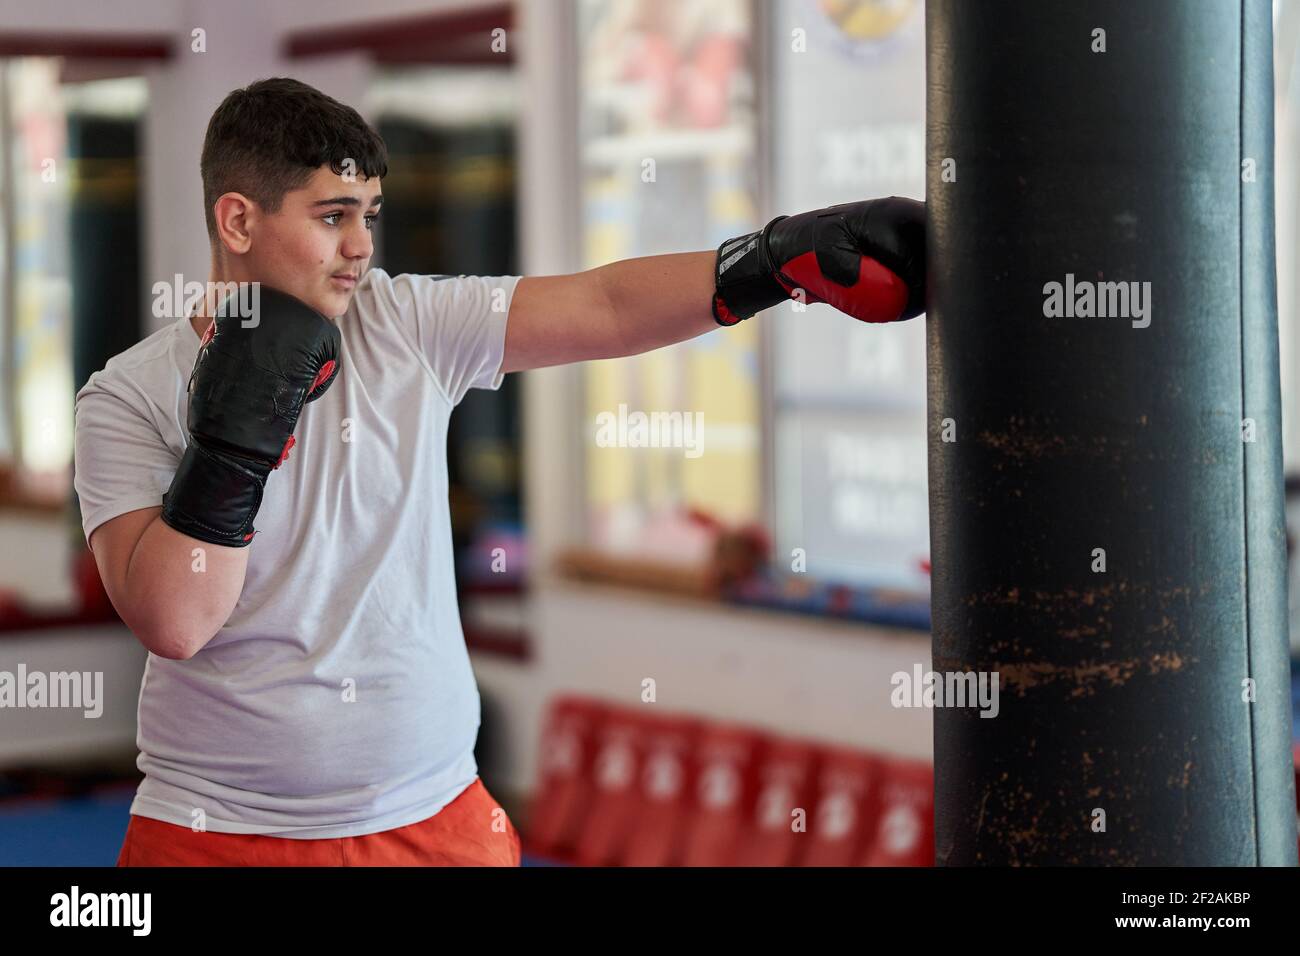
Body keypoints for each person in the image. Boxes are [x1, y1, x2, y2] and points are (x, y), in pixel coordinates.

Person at [73, 77, 926, 867]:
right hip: (219, 829)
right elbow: (177, 622)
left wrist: (772, 262)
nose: (360, 246)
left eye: (370, 214)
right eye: (332, 216)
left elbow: (602, 306)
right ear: (237, 221)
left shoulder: (405, 324)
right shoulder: (126, 397)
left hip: (434, 817)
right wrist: (233, 442)